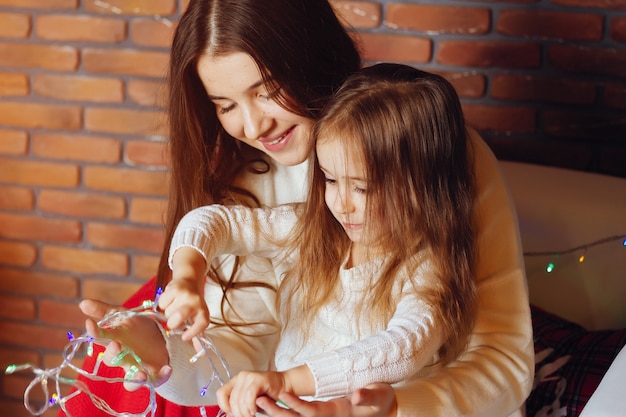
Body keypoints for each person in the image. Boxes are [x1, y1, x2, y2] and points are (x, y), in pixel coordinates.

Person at [66, 0, 534, 416]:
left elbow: (497, 360)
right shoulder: (261, 187)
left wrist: (383, 409)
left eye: (266, 89)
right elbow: (239, 357)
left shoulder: (434, 156)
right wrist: (164, 354)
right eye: (225, 105)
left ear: (311, 56)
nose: (252, 125)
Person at [161, 66, 478, 417]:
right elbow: (214, 221)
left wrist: (285, 382)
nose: (341, 204)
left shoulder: (426, 269)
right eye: (330, 179)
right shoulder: (316, 230)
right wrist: (188, 277)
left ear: (424, 187)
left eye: (362, 187)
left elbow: (402, 349)